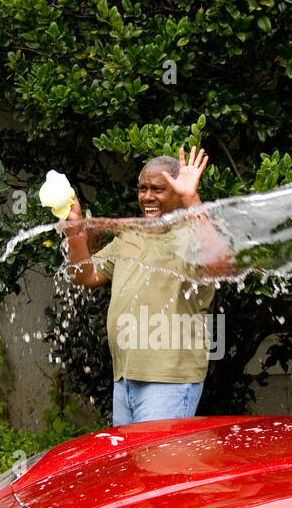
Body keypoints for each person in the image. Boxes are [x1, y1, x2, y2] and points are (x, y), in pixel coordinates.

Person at [61, 146, 232, 424]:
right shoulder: (132, 235)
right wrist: (75, 233)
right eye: (143, 188)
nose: (148, 197)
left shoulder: (193, 236)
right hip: (125, 378)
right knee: (134, 468)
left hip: (169, 381)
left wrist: (192, 198)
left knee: (158, 466)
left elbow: (220, 266)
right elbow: (85, 276)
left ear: (177, 192)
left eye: (158, 189)